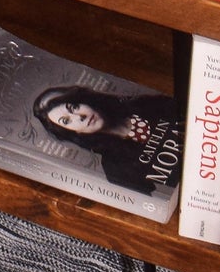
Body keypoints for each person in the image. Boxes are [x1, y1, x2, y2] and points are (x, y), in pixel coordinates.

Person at [31, 83, 181, 193]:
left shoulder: (143, 104)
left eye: (74, 107)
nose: (79, 117)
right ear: (73, 132)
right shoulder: (116, 169)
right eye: (67, 121)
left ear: (84, 100)